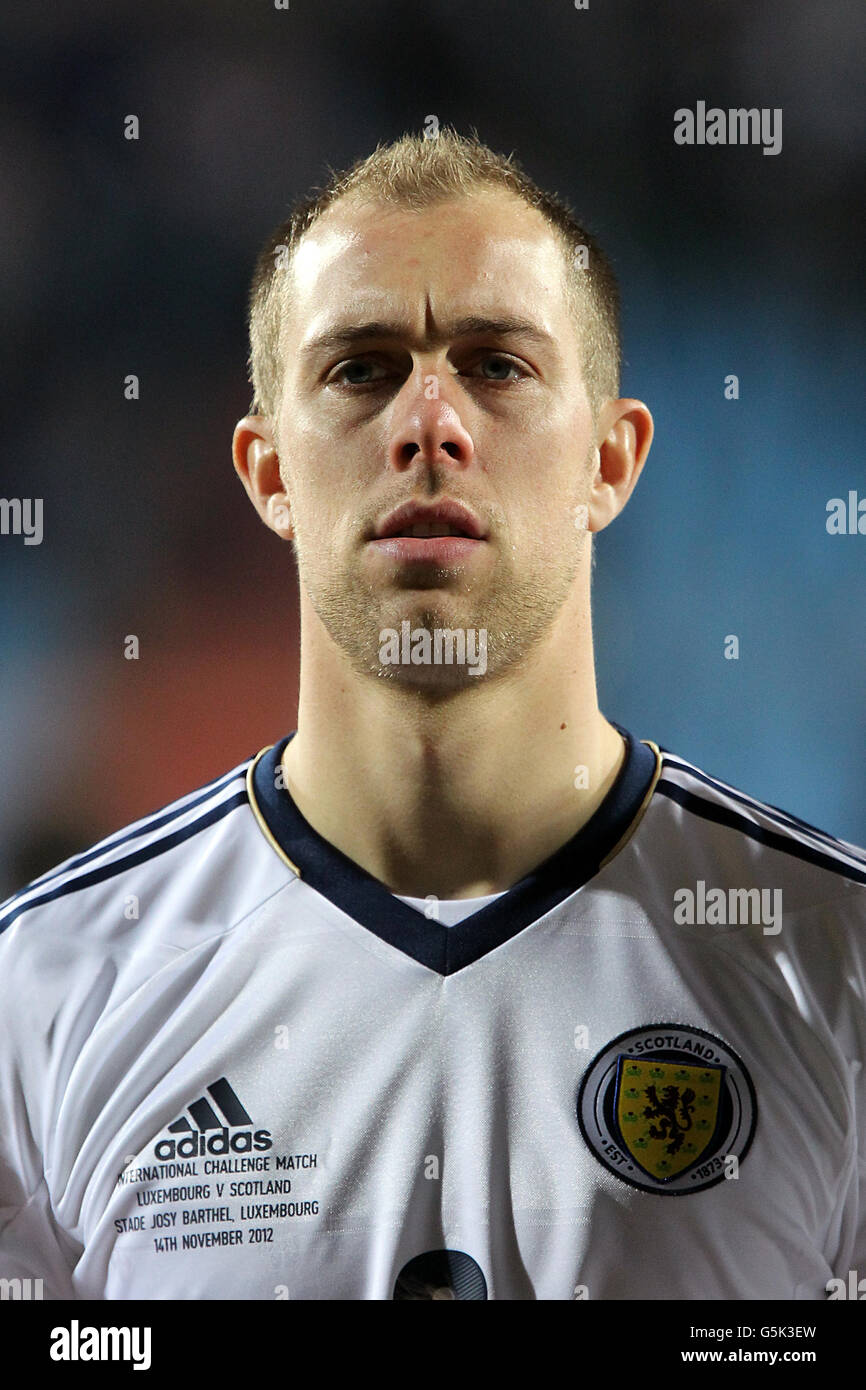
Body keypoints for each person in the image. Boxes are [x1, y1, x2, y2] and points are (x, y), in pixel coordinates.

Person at [1, 129, 864, 1301]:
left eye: (497, 364)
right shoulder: (43, 994)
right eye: (359, 368)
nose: (429, 424)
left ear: (610, 461)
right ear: (265, 474)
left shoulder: (834, 960)